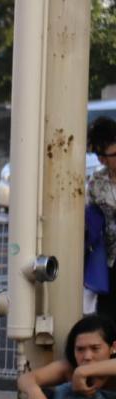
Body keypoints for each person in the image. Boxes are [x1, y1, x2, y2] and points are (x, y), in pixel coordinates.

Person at [86, 117, 116, 322]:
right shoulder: (97, 179)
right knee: (107, 317)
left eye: (109, 155)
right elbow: (90, 212)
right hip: (109, 260)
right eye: (99, 155)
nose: (103, 160)